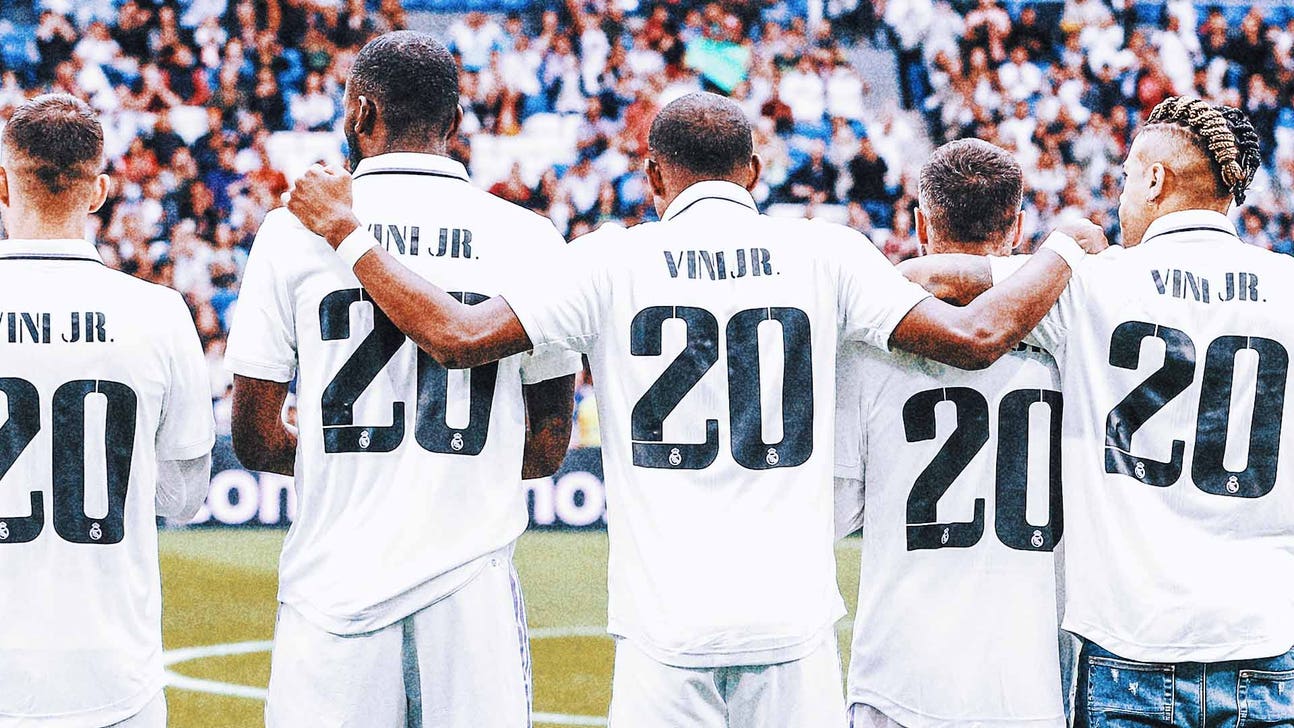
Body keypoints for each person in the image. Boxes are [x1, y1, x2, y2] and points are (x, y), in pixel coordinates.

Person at [284, 92, 1104, 726]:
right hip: (793, 633)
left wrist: (349, 235)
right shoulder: (825, 251)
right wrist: (1068, 244)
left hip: (662, 634)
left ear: (652, 175)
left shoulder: (607, 261)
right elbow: (975, 336)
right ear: (755, 168)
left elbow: (457, 336)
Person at [224, 32, 580, 727]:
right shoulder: (531, 236)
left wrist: (344, 452)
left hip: (334, 586)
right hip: (470, 590)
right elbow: (547, 444)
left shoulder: (290, 232)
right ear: (453, 123)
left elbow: (257, 436)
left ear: (360, 115)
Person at [902, 96, 1294, 725]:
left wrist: (1060, 249)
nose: (1120, 198)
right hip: (1267, 644)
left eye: (1128, 179)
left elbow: (933, 279)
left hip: (1129, 646)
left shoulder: (1095, 282)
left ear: (1157, 180)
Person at [835, 139, 1067, 728]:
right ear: (1016, 227)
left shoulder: (866, 343)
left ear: (921, 224)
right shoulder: (1079, 337)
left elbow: (837, 508)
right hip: (1033, 679)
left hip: (902, 676)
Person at [0, 94, 214, 726]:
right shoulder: (160, 314)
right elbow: (183, 498)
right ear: (97, 194)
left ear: (2, 187)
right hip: (114, 676)